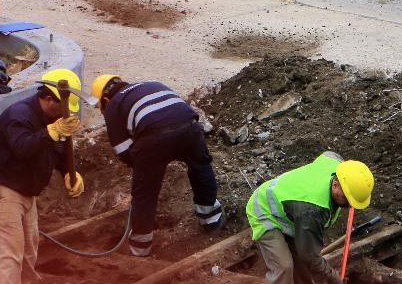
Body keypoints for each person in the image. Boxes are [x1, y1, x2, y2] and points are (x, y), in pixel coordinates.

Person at [92, 74, 224, 257]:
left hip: (154, 138)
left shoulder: (113, 106)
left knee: (145, 193)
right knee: (200, 167)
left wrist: (143, 169)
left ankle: (140, 247)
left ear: (105, 100)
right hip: (190, 127)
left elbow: (123, 150)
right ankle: (211, 219)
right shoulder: (151, 83)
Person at [0, 68, 84, 284]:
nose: (66, 115)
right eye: (62, 109)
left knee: (28, 250)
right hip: (3, 190)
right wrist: (51, 132)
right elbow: (23, 147)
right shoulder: (19, 115)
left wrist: (68, 172)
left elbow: (59, 150)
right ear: (48, 99)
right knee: (10, 253)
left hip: (26, 192)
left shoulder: (51, 119)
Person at [245, 152, 375, 284]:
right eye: (348, 198)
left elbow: (329, 154)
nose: (351, 204)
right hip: (265, 209)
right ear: (335, 185)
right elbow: (310, 256)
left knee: (302, 267)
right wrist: (334, 279)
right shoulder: (312, 210)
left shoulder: (339, 167)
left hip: (290, 209)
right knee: (284, 268)